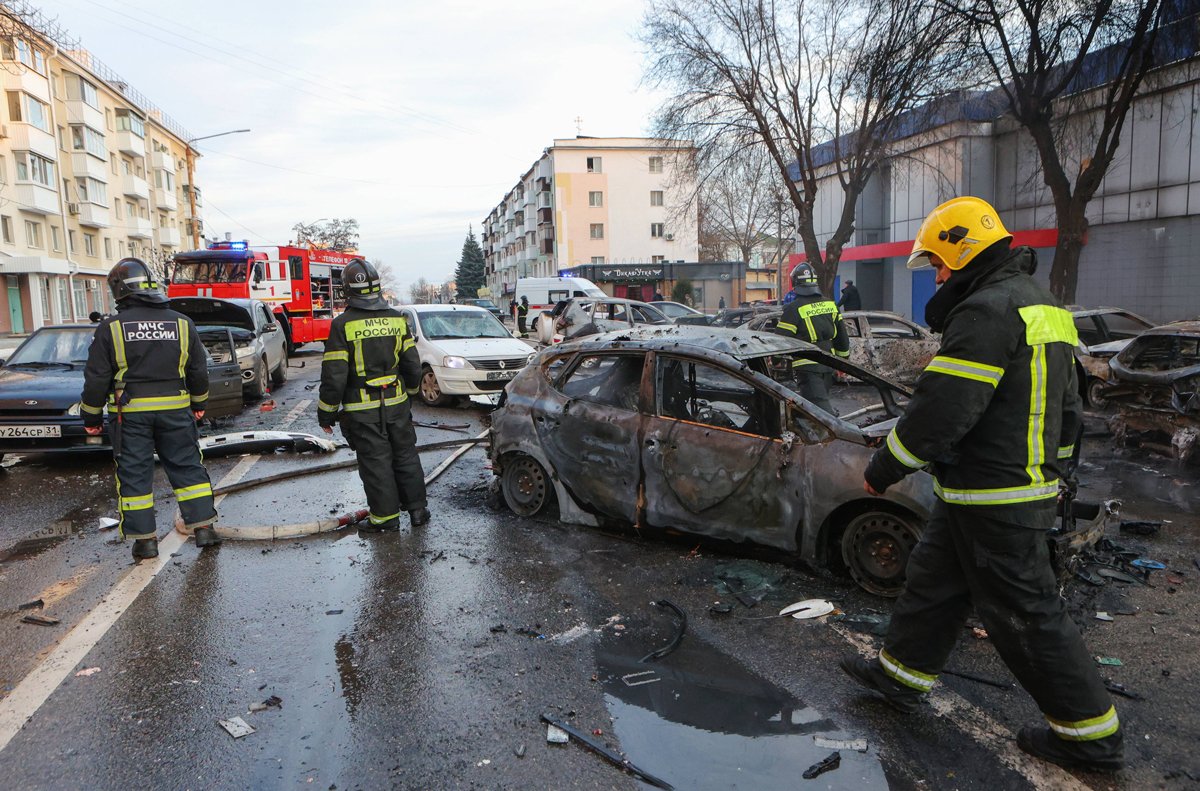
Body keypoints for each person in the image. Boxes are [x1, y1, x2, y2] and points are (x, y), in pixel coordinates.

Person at [840, 196, 1122, 772]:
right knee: (934, 584)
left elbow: (943, 408)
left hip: (996, 494)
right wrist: (1058, 472)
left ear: (963, 252)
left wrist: (884, 469)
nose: (938, 277)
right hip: (988, 489)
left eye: (940, 264)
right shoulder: (1042, 306)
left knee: (1025, 613)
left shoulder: (985, 312)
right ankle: (899, 675)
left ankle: (1091, 738)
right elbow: (1069, 409)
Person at [80, 258, 219, 560]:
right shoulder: (182, 323)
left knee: (135, 475)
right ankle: (204, 528)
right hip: (177, 411)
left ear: (119, 290)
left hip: (130, 416)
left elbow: (96, 379)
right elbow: (198, 371)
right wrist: (199, 404)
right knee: (187, 467)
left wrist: (90, 417)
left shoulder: (111, 328)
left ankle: (145, 541)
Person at [318, 258, 429, 532]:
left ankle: (385, 518)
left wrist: (326, 412)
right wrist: (409, 394)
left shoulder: (342, 325)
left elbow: (335, 375)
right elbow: (412, 365)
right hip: (398, 404)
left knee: (376, 462)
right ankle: (417, 511)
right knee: (405, 455)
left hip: (362, 409)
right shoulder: (397, 320)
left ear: (347, 290)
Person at [772, 262, 849, 413]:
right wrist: (843, 364)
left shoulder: (793, 309)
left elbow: (781, 340)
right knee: (817, 406)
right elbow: (842, 339)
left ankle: (838, 434)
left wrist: (776, 359)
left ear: (795, 283)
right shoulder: (831, 305)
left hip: (808, 368)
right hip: (829, 365)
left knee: (819, 412)